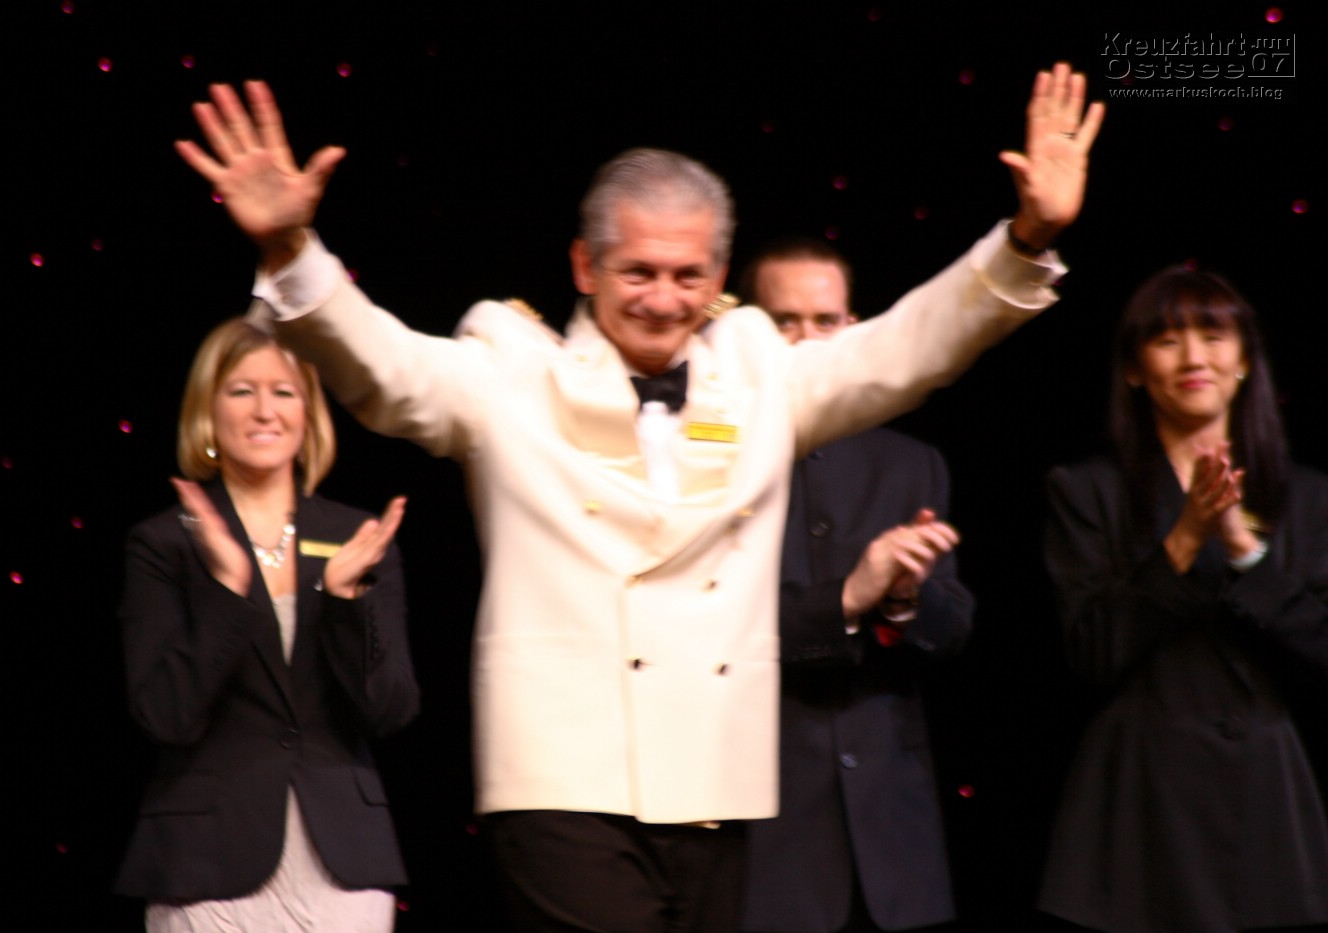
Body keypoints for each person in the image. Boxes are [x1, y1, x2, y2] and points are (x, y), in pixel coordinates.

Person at [174, 64, 1102, 931]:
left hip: (715, 780)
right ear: (585, 267)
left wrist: (1026, 240)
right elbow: (383, 362)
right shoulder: (514, 374)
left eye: (688, 276)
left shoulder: (763, 379)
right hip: (560, 782)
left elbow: (909, 345)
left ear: (719, 280)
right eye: (639, 273)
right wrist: (290, 248)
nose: (663, 298)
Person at [1037, 268, 1328, 932]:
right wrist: (1187, 536)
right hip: (1140, 794)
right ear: (1135, 370)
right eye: (1167, 341)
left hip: (1266, 794)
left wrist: (1243, 550)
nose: (1194, 357)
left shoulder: (1307, 496)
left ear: (1245, 359)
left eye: (1213, 336)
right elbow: (1090, 653)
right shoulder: (1087, 489)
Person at [115, 318, 419, 931]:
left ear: (308, 414)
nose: (264, 410)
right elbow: (165, 716)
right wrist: (229, 592)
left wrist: (345, 600)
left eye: (284, 392)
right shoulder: (165, 543)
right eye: (241, 391)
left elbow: (389, 710)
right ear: (208, 410)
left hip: (343, 865)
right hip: (206, 864)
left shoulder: (355, 539)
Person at [737, 239, 972, 933]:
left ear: (855, 328)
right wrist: (846, 600)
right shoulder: (714, 462)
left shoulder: (911, 463)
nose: (807, 340)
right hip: (765, 834)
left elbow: (952, 631)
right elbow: (708, 631)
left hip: (892, 835)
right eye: (783, 321)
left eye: (825, 321)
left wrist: (905, 599)